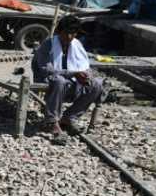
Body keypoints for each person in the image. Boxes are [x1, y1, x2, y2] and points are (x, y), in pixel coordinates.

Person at [31, 15, 105, 144]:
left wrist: (85, 75)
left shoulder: (76, 45)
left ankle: (68, 117)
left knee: (97, 84)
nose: (70, 37)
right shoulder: (48, 45)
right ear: (59, 31)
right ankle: (52, 122)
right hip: (48, 80)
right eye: (67, 33)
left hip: (70, 81)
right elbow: (46, 70)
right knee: (58, 80)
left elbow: (84, 65)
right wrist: (73, 74)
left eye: (73, 33)